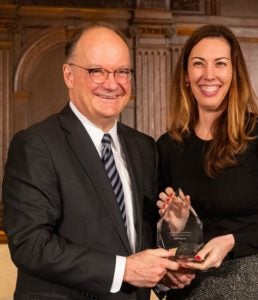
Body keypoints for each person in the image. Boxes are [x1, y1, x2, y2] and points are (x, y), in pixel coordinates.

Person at [2, 21, 185, 300]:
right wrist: (123, 269)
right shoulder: (36, 144)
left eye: (122, 71)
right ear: (68, 75)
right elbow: (31, 244)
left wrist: (164, 273)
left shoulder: (144, 148)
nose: (112, 83)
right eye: (96, 71)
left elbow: (135, 238)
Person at [156, 24, 258, 299]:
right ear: (186, 75)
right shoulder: (168, 145)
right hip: (189, 288)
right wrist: (181, 225)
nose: (208, 74)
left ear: (234, 74)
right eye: (198, 64)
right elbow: (176, 241)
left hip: (251, 284)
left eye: (220, 64)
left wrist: (233, 242)